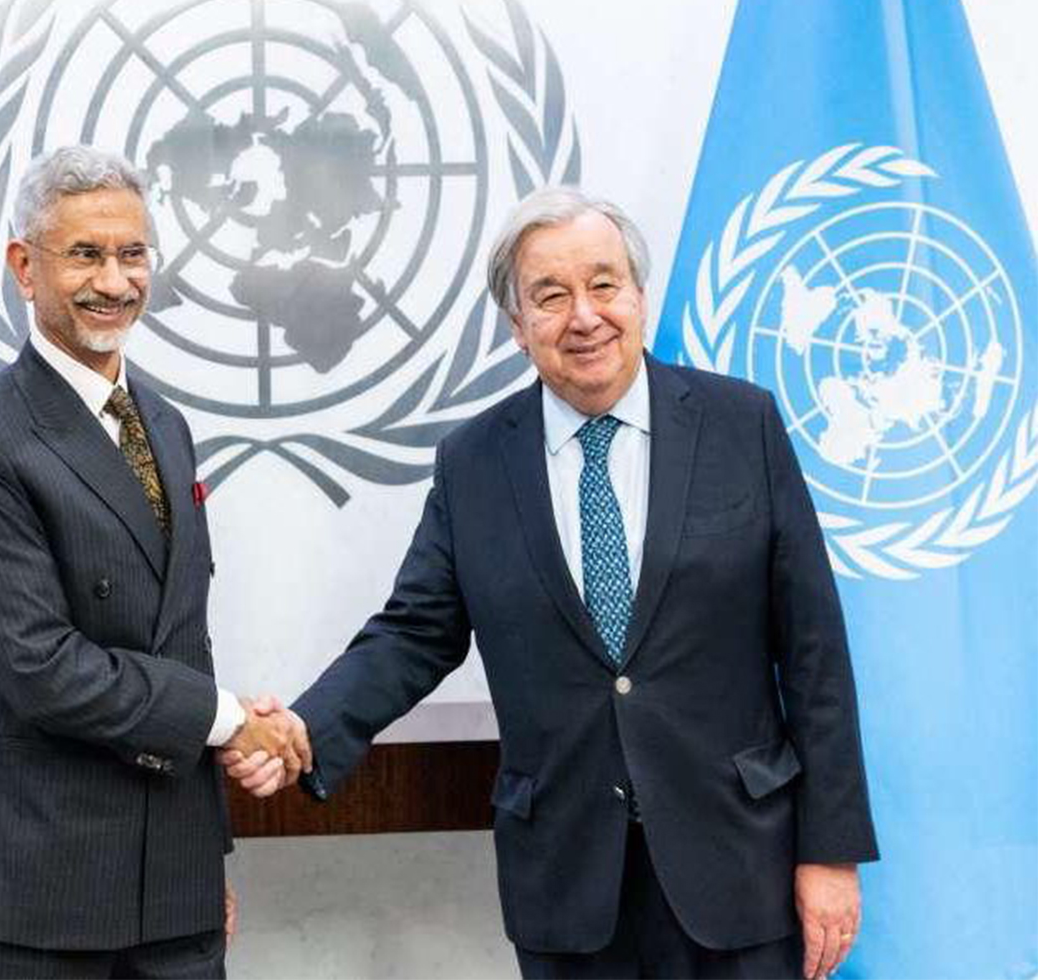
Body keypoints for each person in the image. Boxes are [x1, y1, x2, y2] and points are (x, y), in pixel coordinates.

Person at [227, 189, 877, 980]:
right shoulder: (473, 462)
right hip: (570, 885)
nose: (584, 316)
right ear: (517, 324)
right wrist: (303, 730)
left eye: (604, 285)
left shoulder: (742, 427)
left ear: (638, 295)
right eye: (550, 295)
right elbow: (414, 632)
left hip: (740, 867)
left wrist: (831, 853)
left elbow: (815, 653)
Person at [0, 146, 302, 979]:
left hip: (168, 891)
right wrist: (230, 720)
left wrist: (201, 868)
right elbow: (42, 669)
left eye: (132, 255)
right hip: (31, 896)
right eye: (85, 254)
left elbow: (177, 640)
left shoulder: (162, 421)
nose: (115, 282)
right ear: (24, 265)